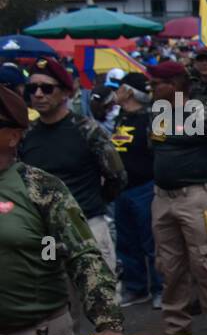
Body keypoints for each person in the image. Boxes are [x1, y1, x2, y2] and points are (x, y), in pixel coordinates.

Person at [0, 84, 128, 335]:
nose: (40, 92)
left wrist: (109, 323)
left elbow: (83, 256)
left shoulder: (41, 188)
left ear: (14, 136)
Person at [148, 60, 207, 335]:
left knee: (206, 267)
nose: (151, 89)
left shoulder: (203, 115)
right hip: (162, 199)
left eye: (155, 84)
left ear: (173, 86)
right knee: (170, 268)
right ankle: (176, 330)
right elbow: (156, 148)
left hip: (195, 199)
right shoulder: (158, 115)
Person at [18, 57, 126, 272]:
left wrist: (92, 203)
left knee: (97, 300)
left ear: (66, 92)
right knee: (53, 297)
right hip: (46, 234)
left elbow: (117, 177)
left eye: (47, 88)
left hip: (87, 228)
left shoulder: (88, 131)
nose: (38, 94)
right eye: (33, 88)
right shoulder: (26, 134)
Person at [109, 72, 163, 309]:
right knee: (126, 242)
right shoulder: (121, 117)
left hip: (145, 188)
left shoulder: (150, 118)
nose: (115, 92)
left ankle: (160, 289)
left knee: (151, 242)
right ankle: (136, 288)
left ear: (129, 91)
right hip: (121, 190)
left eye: (119, 88)